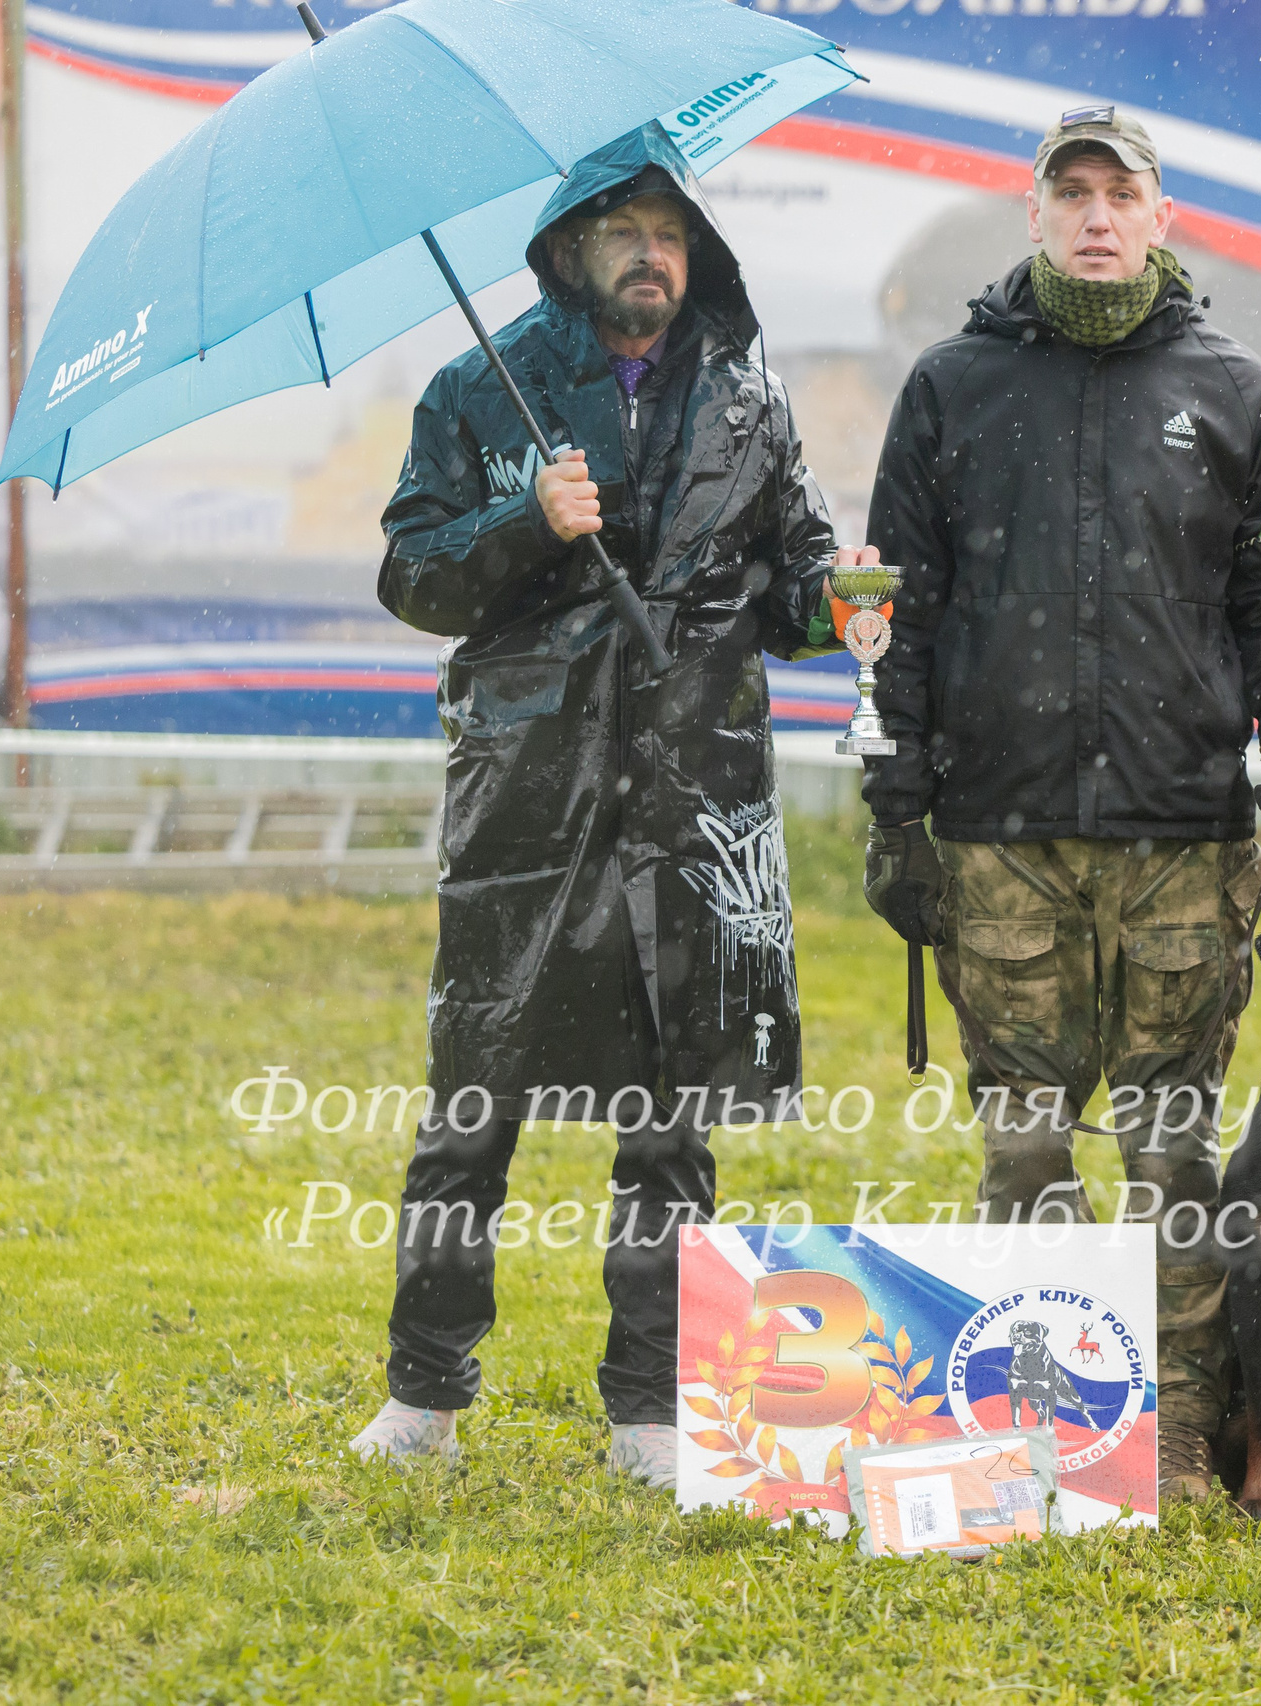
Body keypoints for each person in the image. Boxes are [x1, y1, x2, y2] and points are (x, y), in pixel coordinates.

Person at [348, 125, 878, 1485]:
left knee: (673, 1117)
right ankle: (425, 1393)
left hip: (692, 798)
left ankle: (648, 1404)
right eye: (625, 231)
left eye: (672, 232)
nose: (653, 253)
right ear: (568, 249)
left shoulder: (752, 403)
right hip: (527, 804)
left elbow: (791, 587)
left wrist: (842, 598)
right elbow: (413, 575)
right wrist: (527, 521)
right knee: (473, 1106)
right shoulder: (482, 389)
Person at [857, 107, 1261, 1502]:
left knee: (1174, 1147)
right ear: (1033, 215)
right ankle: (1034, 1424)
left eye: (1117, 191)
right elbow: (902, 610)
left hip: (1187, 836)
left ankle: (1175, 1426)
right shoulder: (950, 387)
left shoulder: (1237, 390)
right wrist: (898, 807)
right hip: (999, 836)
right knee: (1023, 1146)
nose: (1094, 215)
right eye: (1068, 192)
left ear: (1161, 214)